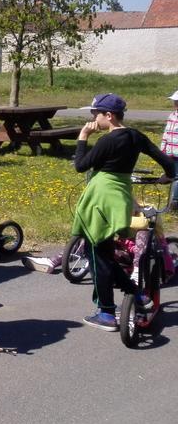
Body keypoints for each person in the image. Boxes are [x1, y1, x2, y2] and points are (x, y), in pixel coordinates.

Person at [71, 93, 173, 331]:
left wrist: (83, 137)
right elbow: (167, 162)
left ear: (110, 116)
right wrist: (167, 177)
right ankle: (137, 295)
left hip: (101, 197)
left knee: (97, 254)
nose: (93, 118)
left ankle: (106, 313)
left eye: (96, 114)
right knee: (103, 253)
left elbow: (80, 165)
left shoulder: (109, 140)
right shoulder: (136, 136)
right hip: (121, 195)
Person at [160, 89, 178, 211]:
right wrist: (162, 150)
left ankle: (174, 203)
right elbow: (166, 134)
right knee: (172, 176)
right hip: (170, 153)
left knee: (177, 178)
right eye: (175, 102)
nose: (175, 104)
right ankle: (173, 202)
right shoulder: (172, 116)